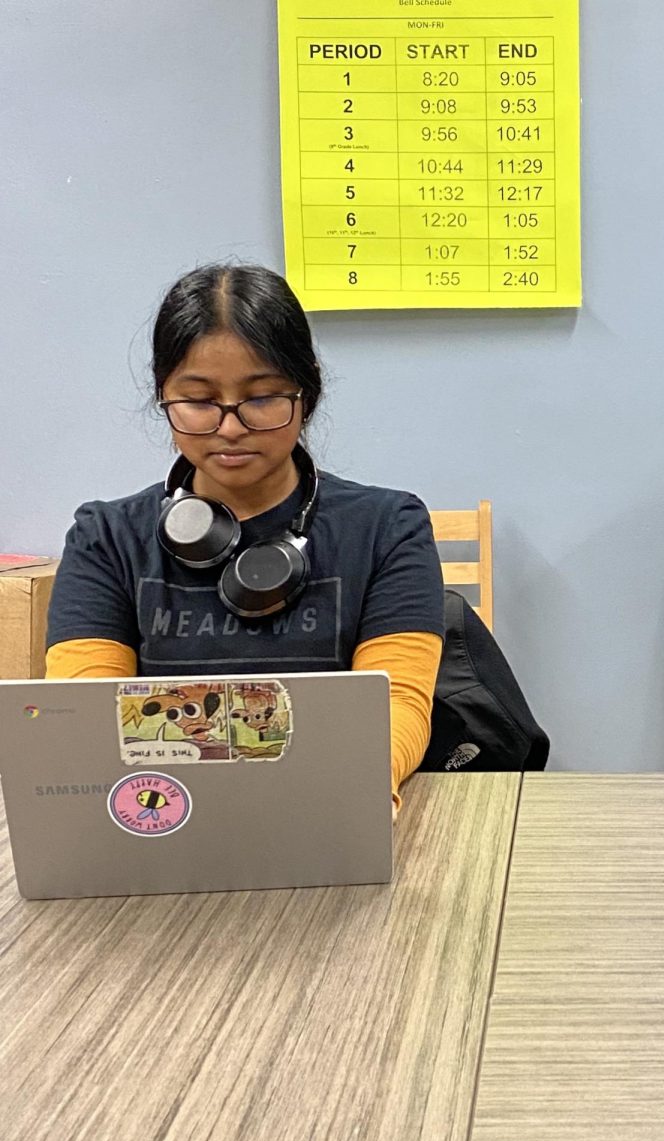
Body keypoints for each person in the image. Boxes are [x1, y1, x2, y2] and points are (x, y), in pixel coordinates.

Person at [45, 264, 445, 805]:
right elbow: (87, 718)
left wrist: (359, 796)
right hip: (163, 816)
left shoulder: (388, 527)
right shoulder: (106, 538)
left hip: (330, 807)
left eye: (261, 398)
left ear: (307, 396)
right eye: (200, 401)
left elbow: (397, 703)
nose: (230, 427)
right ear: (163, 396)